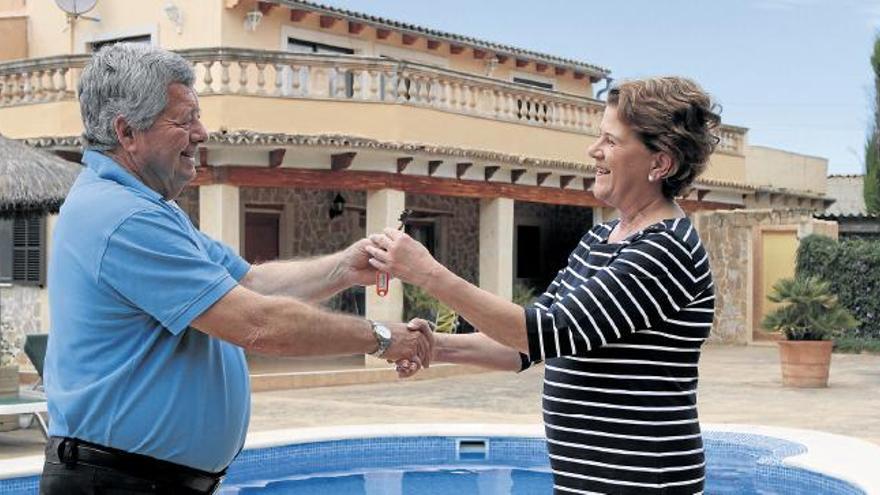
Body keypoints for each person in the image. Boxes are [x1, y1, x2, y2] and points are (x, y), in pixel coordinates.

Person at [40, 43, 432, 494]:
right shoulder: (124, 218)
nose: (202, 132)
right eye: (184, 120)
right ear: (127, 132)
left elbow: (250, 282)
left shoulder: (143, 207)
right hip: (117, 483)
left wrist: (344, 267)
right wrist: (384, 339)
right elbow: (258, 324)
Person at [369, 76, 720, 494]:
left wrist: (427, 272)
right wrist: (434, 345)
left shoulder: (667, 248)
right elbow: (525, 344)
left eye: (611, 140)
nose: (594, 151)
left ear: (660, 164)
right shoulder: (598, 240)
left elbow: (549, 332)